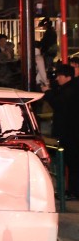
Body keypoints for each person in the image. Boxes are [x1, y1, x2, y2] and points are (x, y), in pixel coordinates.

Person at [41, 63, 79, 199]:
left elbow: (58, 104)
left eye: (60, 76)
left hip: (70, 133)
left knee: (72, 163)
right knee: (71, 163)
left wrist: (48, 92)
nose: (57, 79)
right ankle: (71, 191)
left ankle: (73, 192)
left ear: (67, 77)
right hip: (70, 132)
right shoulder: (69, 88)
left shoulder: (70, 91)